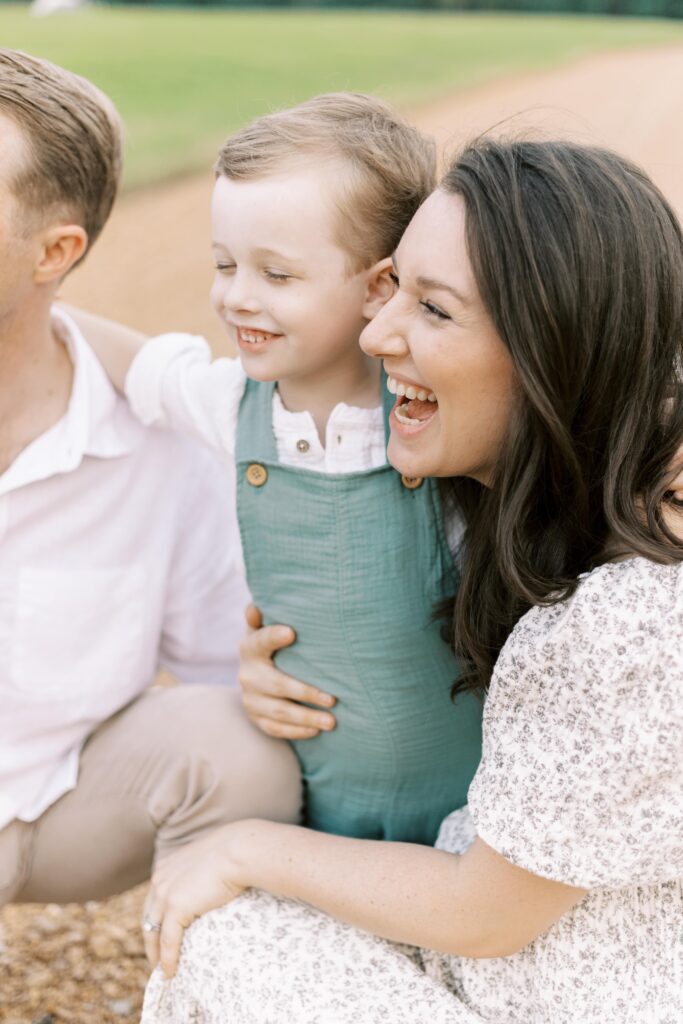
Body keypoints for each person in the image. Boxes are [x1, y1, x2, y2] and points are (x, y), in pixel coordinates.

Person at [139, 139, 683, 1024]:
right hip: (529, 962)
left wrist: (244, 847)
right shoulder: (612, 476)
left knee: (223, 934)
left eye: (433, 309)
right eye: (391, 286)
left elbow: (485, 911)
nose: (374, 333)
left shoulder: (622, 616)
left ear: (554, 346)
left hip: (545, 990)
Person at [80, 93, 483, 847]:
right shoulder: (231, 403)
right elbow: (140, 364)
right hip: (320, 810)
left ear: (376, 287)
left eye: (277, 275)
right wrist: (47, 313)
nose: (236, 297)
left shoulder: (435, 420)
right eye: (225, 265)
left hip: (475, 816)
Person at [0, 48, 301, 910]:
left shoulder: (158, 448)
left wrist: (262, 671)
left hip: (42, 814)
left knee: (239, 744)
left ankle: (209, 981)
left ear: (53, 251)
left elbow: (225, 669)